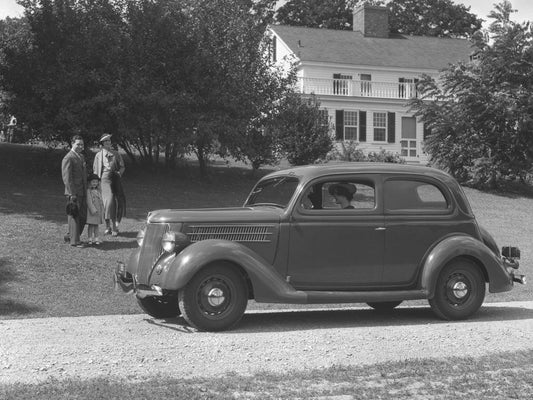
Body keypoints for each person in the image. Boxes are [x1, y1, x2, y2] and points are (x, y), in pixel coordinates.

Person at [93, 133, 126, 236]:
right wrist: (95, 182)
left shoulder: (116, 154)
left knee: (117, 201)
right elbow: (95, 169)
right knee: (109, 201)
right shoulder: (98, 155)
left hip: (115, 178)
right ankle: (108, 226)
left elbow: (122, 167)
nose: (108, 142)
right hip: (104, 179)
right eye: (105, 141)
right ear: (102, 143)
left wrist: (119, 173)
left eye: (109, 141)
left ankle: (114, 226)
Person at [61, 135, 87, 247]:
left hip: (83, 191)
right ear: (72, 144)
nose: (80, 146)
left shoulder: (81, 156)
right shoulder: (68, 158)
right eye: (78, 144)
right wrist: (72, 193)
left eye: (82, 144)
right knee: (75, 216)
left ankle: (69, 235)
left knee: (83, 217)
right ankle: (75, 241)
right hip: (74, 192)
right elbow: (67, 178)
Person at [86, 173, 105, 245]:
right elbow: (89, 201)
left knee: (96, 225)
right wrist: (93, 210)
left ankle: (96, 238)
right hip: (92, 212)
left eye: (96, 182)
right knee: (91, 225)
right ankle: (90, 238)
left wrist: (102, 210)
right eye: (93, 182)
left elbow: (101, 201)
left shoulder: (98, 191)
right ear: (90, 182)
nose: (95, 183)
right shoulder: (88, 191)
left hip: (98, 211)